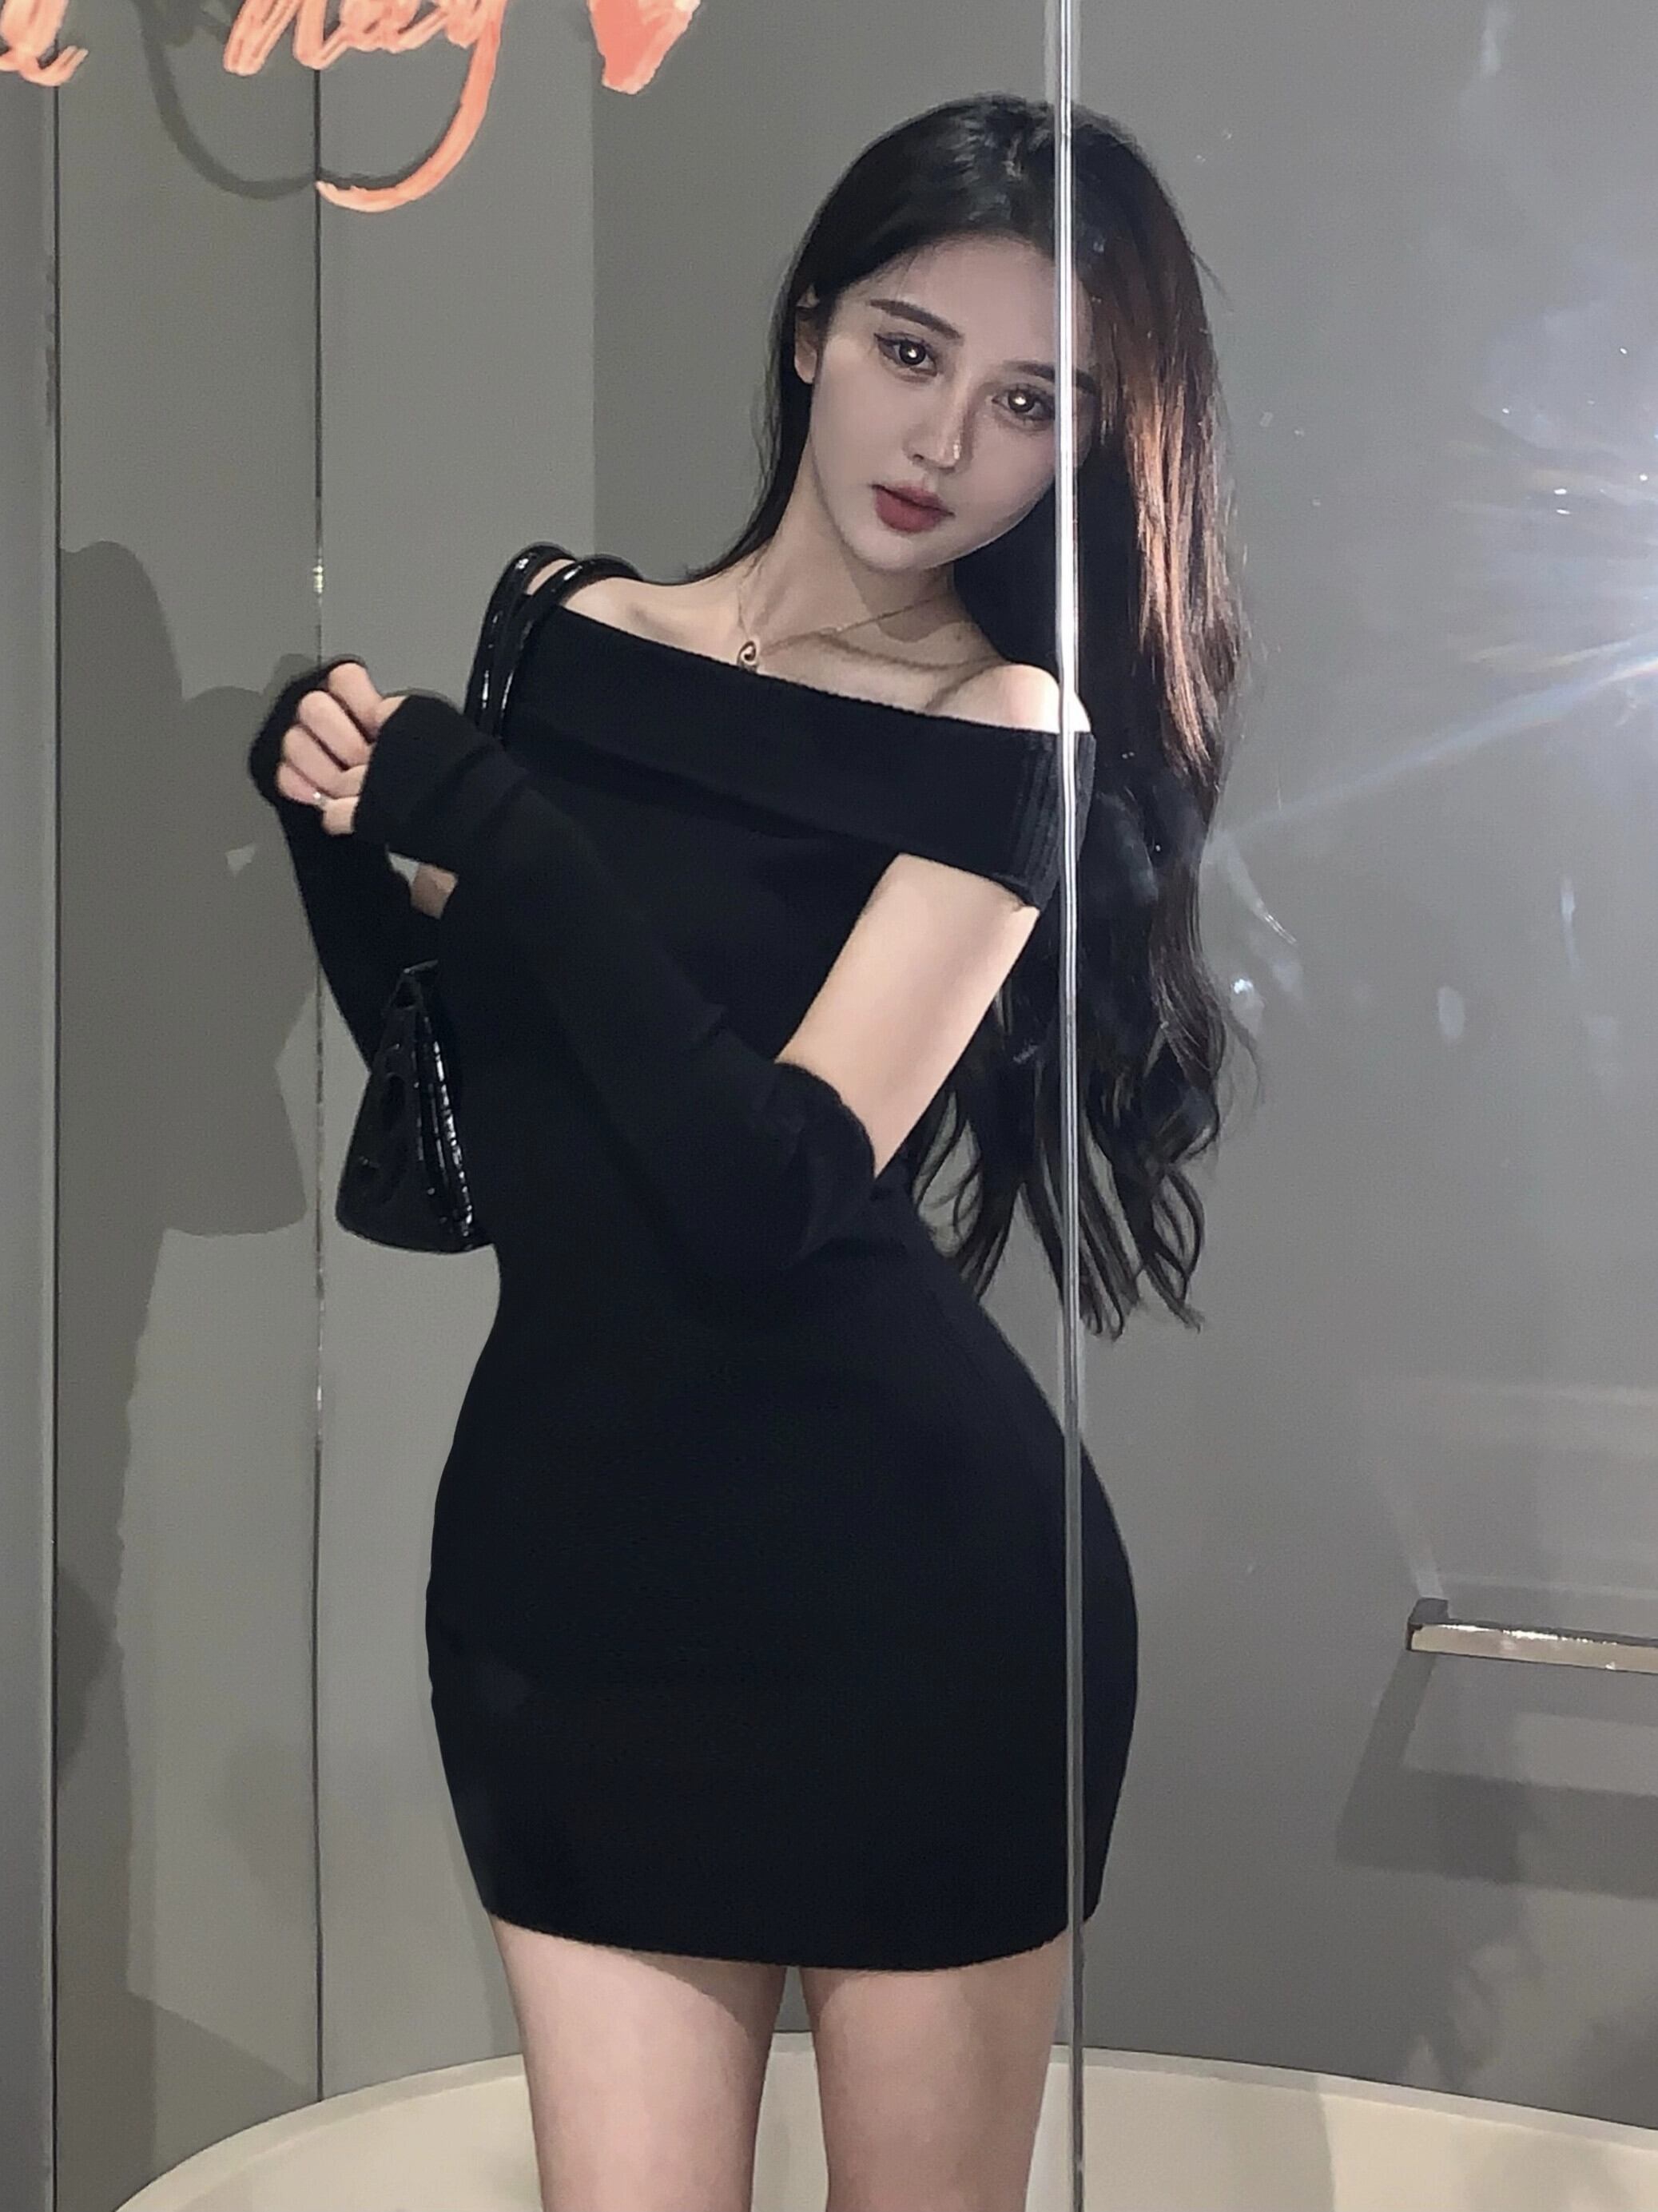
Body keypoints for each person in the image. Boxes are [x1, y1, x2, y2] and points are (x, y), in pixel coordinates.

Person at [245, 90, 1244, 2212]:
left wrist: (510, 843)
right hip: (569, 1574)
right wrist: (340, 840)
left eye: (1028, 402)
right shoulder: (568, 629)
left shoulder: (1002, 733)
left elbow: (774, 1189)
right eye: (908, 348)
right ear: (809, 329)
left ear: (1083, 447)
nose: (943, 439)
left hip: (915, 1605)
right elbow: (488, 1127)